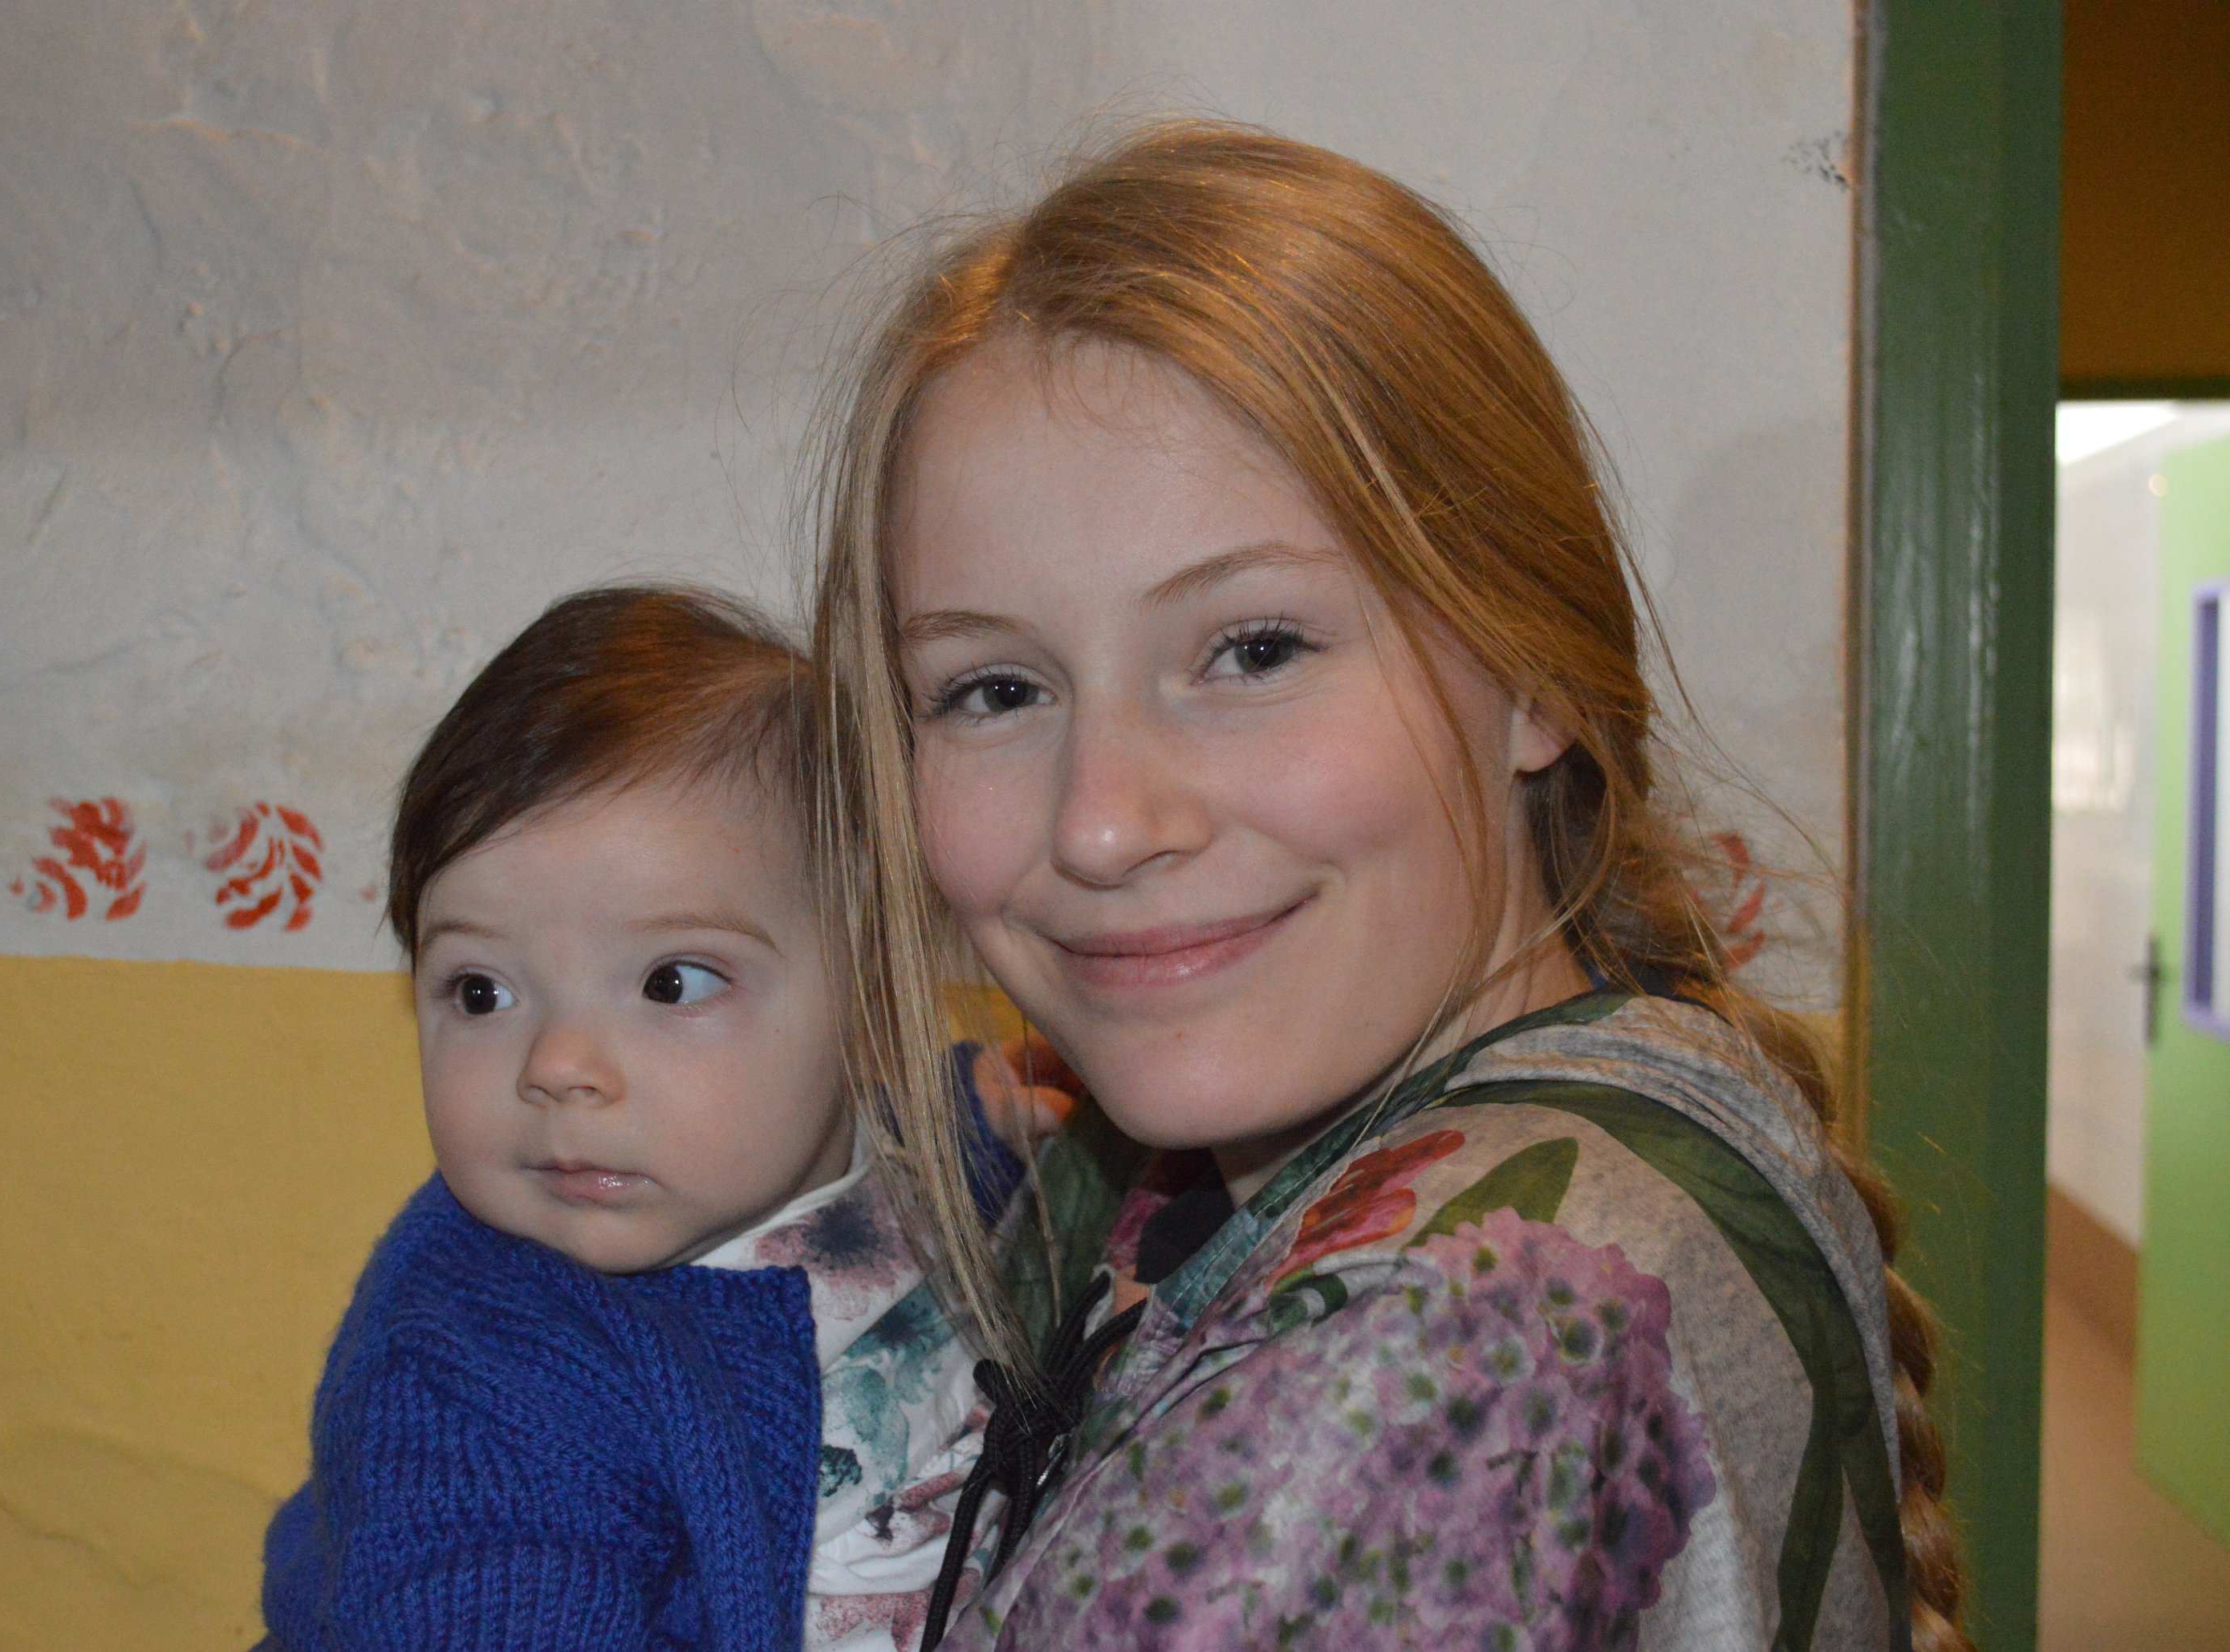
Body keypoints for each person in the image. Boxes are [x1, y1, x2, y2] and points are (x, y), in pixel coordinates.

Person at [809, 120, 1969, 1651]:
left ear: (1534, 672)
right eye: (994, 690)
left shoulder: (1432, 1346)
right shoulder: (1242, 1171)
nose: (1100, 825)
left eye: (1255, 650)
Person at [259, 586, 1046, 1652]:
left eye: (671, 983)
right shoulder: (476, 1370)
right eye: (481, 992)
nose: (557, 1067)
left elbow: (904, 1154)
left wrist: (984, 1113)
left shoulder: (897, 1151)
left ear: (870, 986)